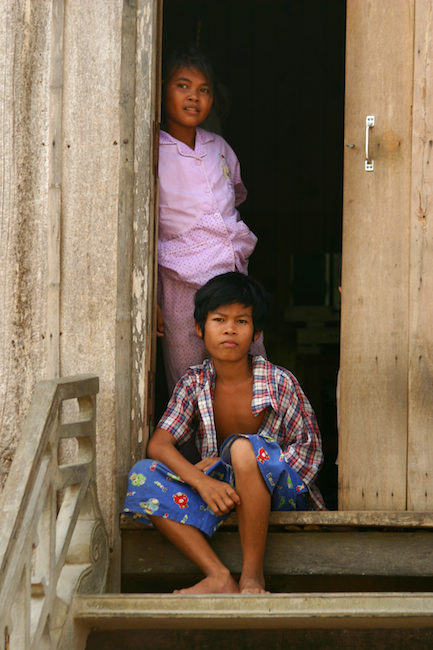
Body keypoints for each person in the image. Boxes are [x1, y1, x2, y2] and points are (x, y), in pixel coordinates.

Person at [124, 273, 325, 595]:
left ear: (256, 332)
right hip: (221, 494)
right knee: (141, 474)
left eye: (242, 321)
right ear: (200, 329)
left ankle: (252, 576)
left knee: (245, 449)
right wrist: (202, 478)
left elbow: (310, 451)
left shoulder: (279, 381)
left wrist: (253, 465)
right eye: (219, 319)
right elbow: (159, 444)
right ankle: (218, 576)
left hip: (281, 494)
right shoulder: (194, 383)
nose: (230, 329)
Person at [157, 45, 265, 392]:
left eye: (203, 90)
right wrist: (151, 302)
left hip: (229, 275)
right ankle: (192, 447)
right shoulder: (152, 151)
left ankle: (252, 443)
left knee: (248, 367)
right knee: (189, 375)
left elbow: (235, 194)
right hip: (180, 282)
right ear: (161, 90)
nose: (194, 97)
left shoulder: (219, 147)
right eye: (182, 86)